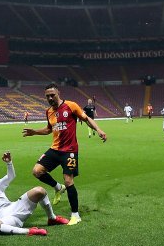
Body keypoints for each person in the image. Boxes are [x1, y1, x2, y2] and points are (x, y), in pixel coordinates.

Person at [22, 83, 107, 226]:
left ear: (58, 93)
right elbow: (49, 129)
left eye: (52, 95)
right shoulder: (48, 111)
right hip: (55, 149)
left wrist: (98, 129)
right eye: (47, 96)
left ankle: (75, 215)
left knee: (68, 181)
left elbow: (86, 119)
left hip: (69, 151)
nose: (50, 98)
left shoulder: (71, 105)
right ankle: (57, 187)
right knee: (37, 171)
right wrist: (35, 132)